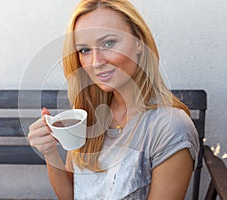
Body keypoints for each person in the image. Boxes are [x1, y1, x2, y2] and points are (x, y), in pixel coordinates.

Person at [28, 0, 199, 199]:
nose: (96, 62)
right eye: (84, 50)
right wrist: (50, 152)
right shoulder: (90, 115)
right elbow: (73, 195)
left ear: (139, 42)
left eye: (108, 43)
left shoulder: (170, 127)